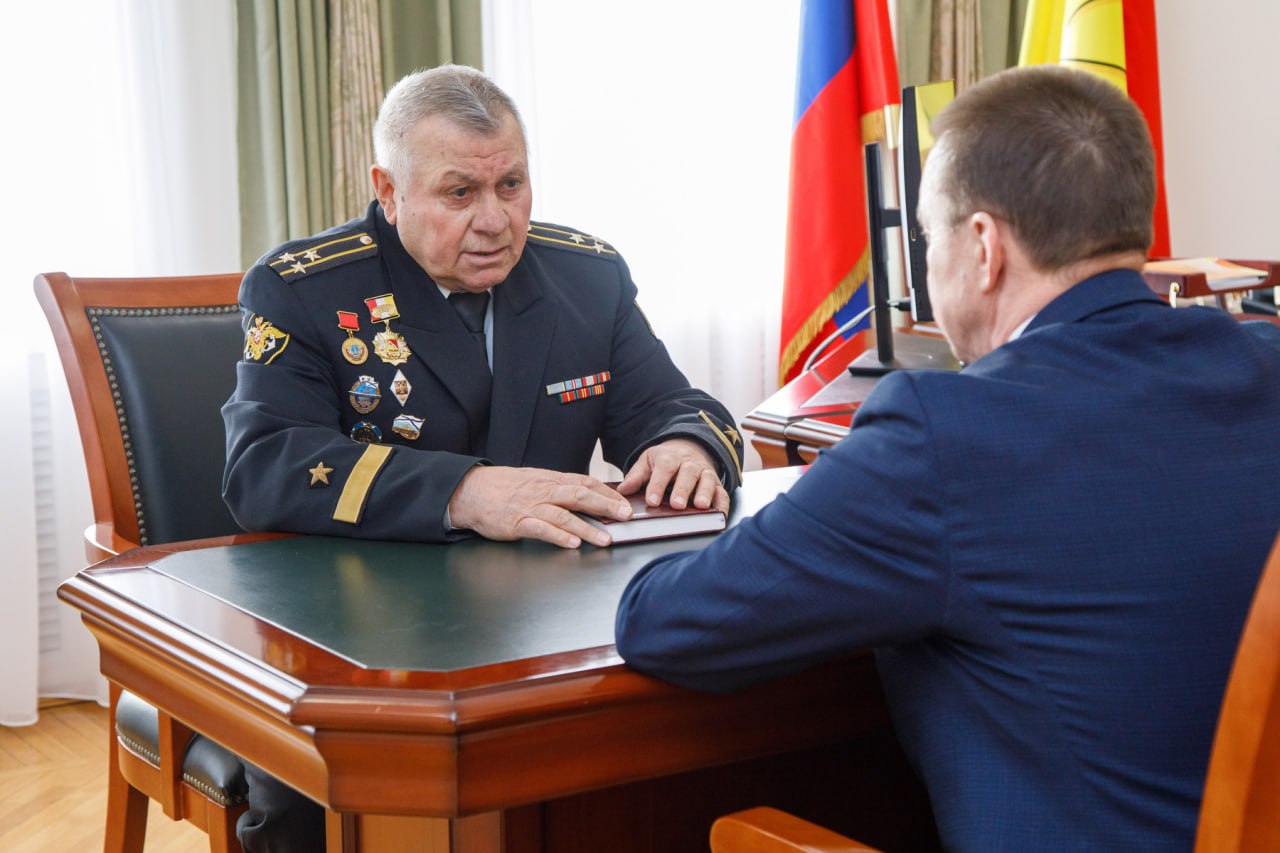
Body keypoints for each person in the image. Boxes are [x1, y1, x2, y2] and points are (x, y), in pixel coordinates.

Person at [615, 65, 1280, 852]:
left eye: (929, 241)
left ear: (984, 248)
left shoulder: (947, 433)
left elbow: (666, 622)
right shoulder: (1264, 362)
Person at [222, 64, 743, 850]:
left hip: (547, 629)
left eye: (511, 185)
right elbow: (264, 463)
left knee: (675, 744)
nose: (495, 220)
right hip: (363, 639)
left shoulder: (586, 277)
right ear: (389, 191)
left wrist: (686, 442)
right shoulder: (305, 290)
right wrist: (463, 490)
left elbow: (669, 405)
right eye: (460, 192)